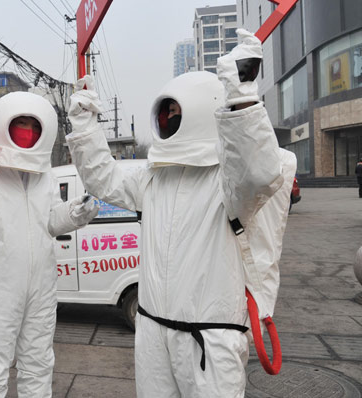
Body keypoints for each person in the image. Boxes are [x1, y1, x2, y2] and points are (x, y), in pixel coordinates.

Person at [66, 30, 296, 397]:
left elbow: (261, 171)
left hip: (209, 337)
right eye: (165, 111)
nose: (169, 118)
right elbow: (102, 178)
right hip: (153, 330)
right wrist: (83, 127)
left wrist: (243, 98)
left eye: (176, 111)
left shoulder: (229, 183)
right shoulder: (153, 179)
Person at [0, 91, 100, 397]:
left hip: (41, 287)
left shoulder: (44, 174)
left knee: (39, 365)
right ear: (3, 124)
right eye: (20, 122)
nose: (27, 130)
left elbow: (50, 222)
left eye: (33, 125)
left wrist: (74, 214)